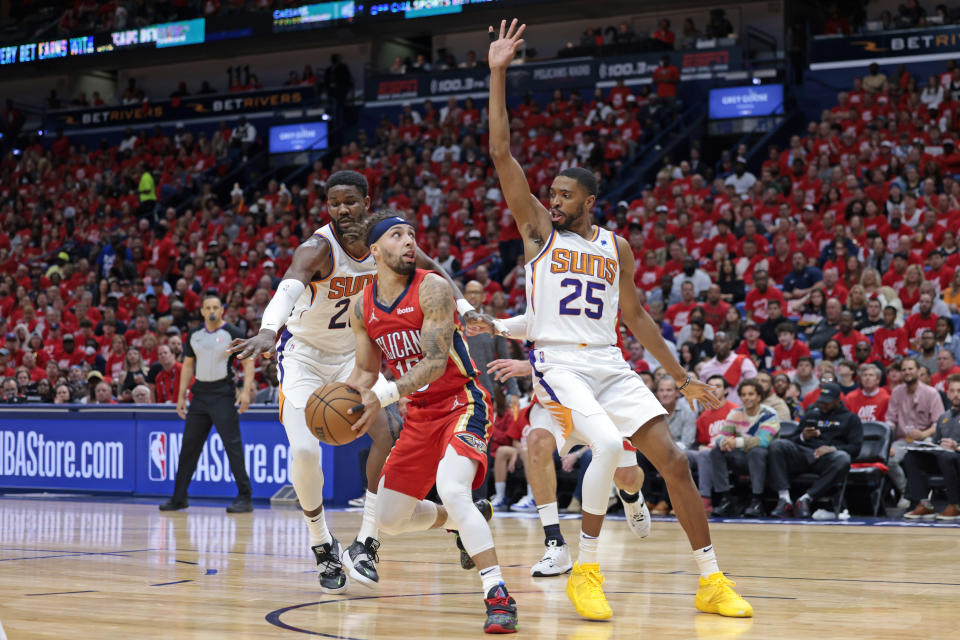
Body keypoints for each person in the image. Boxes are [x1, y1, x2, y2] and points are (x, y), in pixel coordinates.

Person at [487, 19, 749, 621]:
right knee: (606, 444)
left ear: (589, 201)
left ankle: (710, 581)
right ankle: (585, 567)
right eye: (549, 192)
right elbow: (502, 152)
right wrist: (498, 73)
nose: (553, 200)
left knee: (675, 462)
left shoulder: (616, 247)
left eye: (564, 195)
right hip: (558, 361)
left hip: (610, 361)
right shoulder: (537, 235)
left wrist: (680, 376)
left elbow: (636, 318)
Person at [228, 171, 477, 593]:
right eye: (334, 203)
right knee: (306, 451)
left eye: (350, 202)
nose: (342, 210)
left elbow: (431, 267)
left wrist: (467, 308)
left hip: (354, 356)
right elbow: (289, 286)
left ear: (366, 201)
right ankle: (321, 543)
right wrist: (269, 329)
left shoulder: (385, 244)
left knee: (387, 432)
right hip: (304, 357)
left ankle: (367, 543)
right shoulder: (319, 248)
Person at [345, 211, 518, 633]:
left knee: (451, 487)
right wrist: (344, 402)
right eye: (397, 235)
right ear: (374, 250)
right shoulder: (361, 306)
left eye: (411, 234)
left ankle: (497, 594)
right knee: (388, 518)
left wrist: (382, 396)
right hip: (419, 416)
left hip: (462, 403)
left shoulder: (433, 288)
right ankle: (461, 519)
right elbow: (366, 372)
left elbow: (436, 362)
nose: (409, 241)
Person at [481, 354, 651, 576]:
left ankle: (631, 497)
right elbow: (528, 325)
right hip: (554, 390)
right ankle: (555, 544)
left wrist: (532, 365)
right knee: (536, 441)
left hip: (599, 384)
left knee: (626, 478)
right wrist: (497, 326)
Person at [160, 294, 254, 514]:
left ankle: (245, 497)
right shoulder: (194, 334)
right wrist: (181, 395)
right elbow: (188, 366)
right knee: (188, 449)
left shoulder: (233, 333)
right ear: (202, 311)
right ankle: (179, 497)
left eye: (215, 307)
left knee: (233, 447)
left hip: (223, 393)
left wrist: (246, 392)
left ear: (221, 310)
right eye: (207, 308)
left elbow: (249, 363)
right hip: (200, 395)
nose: (211, 311)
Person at [769, 382, 863, 518]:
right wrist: (802, 436)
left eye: (828, 402)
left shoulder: (851, 419)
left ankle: (806, 499)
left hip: (826, 459)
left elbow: (855, 448)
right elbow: (792, 439)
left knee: (843, 458)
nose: (823, 405)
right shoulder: (811, 414)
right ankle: (784, 499)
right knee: (777, 445)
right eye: (822, 401)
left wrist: (833, 448)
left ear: (838, 400)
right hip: (802, 454)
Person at [710, 379, 780, 518]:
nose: (747, 398)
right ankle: (726, 498)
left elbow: (763, 441)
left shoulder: (769, 414)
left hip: (767, 459)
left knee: (757, 451)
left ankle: (757, 500)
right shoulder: (735, 412)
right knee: (716, 451)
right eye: (743, 395)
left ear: (759, 396)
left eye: (751, 394)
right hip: (742, 457)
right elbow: (721, 435)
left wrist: (737, 442)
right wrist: (723, 442)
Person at [886, 358, 946, 503]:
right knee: (888, 459)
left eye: (910, 369)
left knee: (919, 458)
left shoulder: (931, 393)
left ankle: (925, 496)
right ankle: (904, 491)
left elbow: (939, 423)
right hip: (902, 440)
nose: (907, 372)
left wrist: (923, 434)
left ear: (919, 371)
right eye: (904, 369)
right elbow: (890, 421)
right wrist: (887, 444)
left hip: (925, 439)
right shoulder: (896, 392)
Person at [902, 374, 960, 520]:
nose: (956, 395)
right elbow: (936, 442)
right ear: (947, 393)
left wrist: (957, 447)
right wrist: (925, 447)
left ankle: (955, 505)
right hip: (943, 458)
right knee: (911, 456)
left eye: (959, 391)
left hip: (956, 457)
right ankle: (924, 504)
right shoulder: (943, 417)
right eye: (952, 391)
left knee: (947, 455)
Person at [699, 331, 757, 404]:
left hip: (739, 410)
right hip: (714, 410)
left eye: (722, 341)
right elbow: (702, 393)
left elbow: (753, 387)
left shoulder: (743, 362)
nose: (718, 344)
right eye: (715, 342)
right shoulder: (706, 367)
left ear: (730, 344)